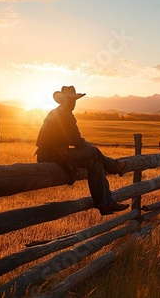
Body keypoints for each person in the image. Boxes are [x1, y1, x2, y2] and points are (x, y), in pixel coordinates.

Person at [36, 85, 129, 216]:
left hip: (57, 154)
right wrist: (87, 146)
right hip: (51, 155)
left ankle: (105, 203)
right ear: (66, 101)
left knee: (95, 164)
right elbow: (77, 142)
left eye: (75, 100)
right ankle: (113, 166)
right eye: (72, 100)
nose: (74, 103)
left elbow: (74, 141)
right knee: (94, 151)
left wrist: (85, 145)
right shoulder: (65, 116)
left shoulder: (60, 113)